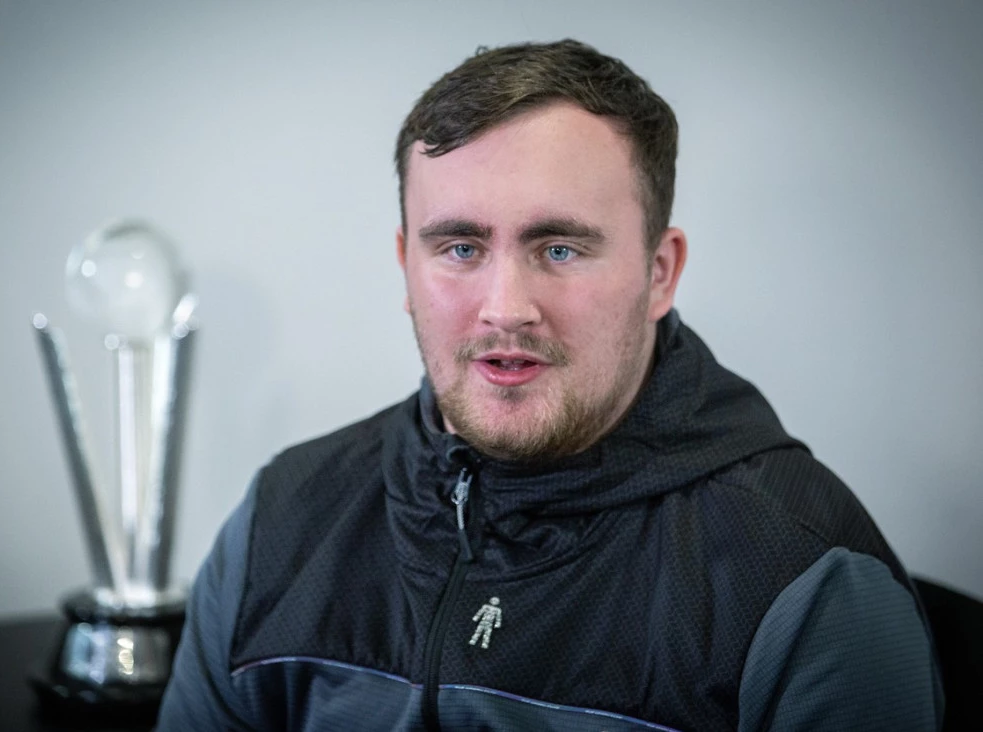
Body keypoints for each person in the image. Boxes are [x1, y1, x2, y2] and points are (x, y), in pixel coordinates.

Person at [156, 39, 943, 731]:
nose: (506, 308)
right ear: (405, 266)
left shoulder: (804, 578)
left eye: (559, 249)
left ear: (659, 272)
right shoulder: (282, 520)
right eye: (460, 248)